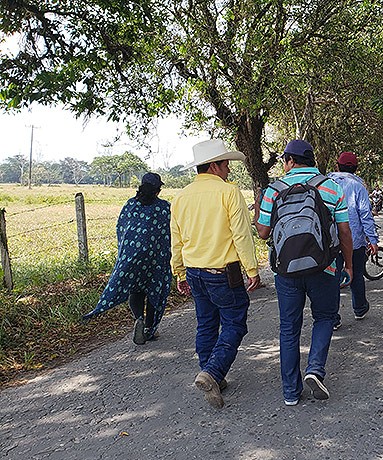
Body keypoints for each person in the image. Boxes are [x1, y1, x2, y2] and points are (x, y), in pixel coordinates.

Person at [255, 139, 353, 406]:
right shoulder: (331, 187)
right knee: (324, 317)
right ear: (311, 160)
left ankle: (290, 392)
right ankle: (314, 370)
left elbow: (263, 232)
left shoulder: (273, 190)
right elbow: (344, 231)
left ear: (289, 161)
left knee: (289, 327)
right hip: (325, 267)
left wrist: (259, 212)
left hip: (286, 270)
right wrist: (349, 264)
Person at [171, 139, 261, 409]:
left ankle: (211, 373)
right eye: (226, 165)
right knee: (235, 323)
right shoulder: (229, 193)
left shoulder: (180, 197)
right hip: (224, 271)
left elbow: (176, 240)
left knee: (206, 323)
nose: (229, 171)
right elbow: (241, 234)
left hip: (195, 272)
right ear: (214, 166)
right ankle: (212, 372)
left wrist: (179, 272)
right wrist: (252, 268)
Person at [83, 172, 172, 345]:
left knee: (135, 289)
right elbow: (171, 231)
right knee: (154, 289)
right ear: (158, 190)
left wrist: (125, 252)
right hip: (156, 257)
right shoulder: (163, 207)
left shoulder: (130, 205)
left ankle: (138, 318)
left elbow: (121, 228)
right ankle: (149, 329)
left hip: (132, 255)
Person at [329, 151, 379, 322]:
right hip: (354, 240)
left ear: (337, 165)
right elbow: (365, 215)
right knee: (356, 274)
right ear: (356, 168)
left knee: (332, 277)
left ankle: (333, 317)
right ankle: (359, 308)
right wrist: (372, 240)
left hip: (331, 241)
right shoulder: (358, 187)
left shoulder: (326, 184)